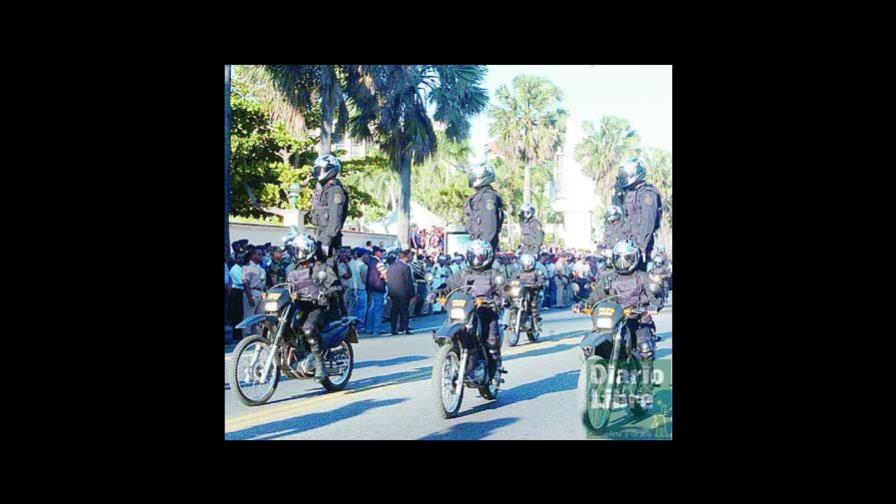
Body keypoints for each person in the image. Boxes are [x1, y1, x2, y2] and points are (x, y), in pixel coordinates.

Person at [573, 238, 664, 406]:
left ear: (635, 258)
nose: (622, 262)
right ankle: (598, 373)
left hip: (637, 321)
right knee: (591, 341)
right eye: (619, 258)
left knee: (644, 348)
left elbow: (656, 294)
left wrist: (653, 306)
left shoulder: (643, 277)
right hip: (613, 321)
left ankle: (645, 388)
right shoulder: (608, 278)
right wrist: (583, 304)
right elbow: (595, 297)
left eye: (627, 258)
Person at [435, 239, 508, 377]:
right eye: (473, 256)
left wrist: (505, 299)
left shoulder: (494, 274)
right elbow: (448, 285)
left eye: (480, 256)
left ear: (488, 256)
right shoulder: (463, 273)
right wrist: (435, 293)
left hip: (486, 311)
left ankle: (493, 372)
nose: (476, 260)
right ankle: (452, 355)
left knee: (491, 340)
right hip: (466, 310)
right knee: (448, 329)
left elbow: (504, 288)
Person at [285, 233, 342, 381]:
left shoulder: (322, 267)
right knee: (287, 326)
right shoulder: (292, 270)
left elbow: (336, 287)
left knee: (308, 329)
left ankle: (319, 364)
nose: (297, 254)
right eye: (295, 250)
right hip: (299, 307)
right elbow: (285, 287)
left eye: (300, 250)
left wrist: (324, 294)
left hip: (318, 308)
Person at [616, 157, 662, 271]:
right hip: (629, 244)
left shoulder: (647, 193)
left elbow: (648, 222)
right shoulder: (631, 193)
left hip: (641, 247)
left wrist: (641, 246)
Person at [309, 155, 349, 267]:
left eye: (320, 170)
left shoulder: (335, 190)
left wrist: (326, 242)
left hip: (329, 241)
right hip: (321, 237)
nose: (318, 173)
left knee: (328, 275)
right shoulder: (325, 188)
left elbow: (335, 220)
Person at [463, 162, 504, 251]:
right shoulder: (479, 197)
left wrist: (484, 247)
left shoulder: (487, 197)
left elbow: (490, 225)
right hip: (477, 244)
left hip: (483, 247)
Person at [511, 253, 545, 329]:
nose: (526, 265)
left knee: (533, 304)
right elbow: (512, 279)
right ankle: (513, 316)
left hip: (532, 291)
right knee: (510, 298)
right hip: (520, 291)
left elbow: (541, 280)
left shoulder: (537, 271)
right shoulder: (518, 271)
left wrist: (537, 284)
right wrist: (511, 284)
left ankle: (535, 320)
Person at [386, 250, 416, 335]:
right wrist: (412, 294)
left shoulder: (391, 266)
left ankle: (393, 328)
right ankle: (404, 328)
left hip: (393, 292)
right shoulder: (405, 267)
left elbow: (389, 280)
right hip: (403, 293)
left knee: (394, 311)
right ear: (406, 257)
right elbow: (408, 281)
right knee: (404, 311)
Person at [241, 245, 267, 337]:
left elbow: (264, 283)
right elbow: (245, 283)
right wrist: (250, 297)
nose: (261, 256)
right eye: (259, 254)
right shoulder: (247, 268)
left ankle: (257, 337)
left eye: (262, 254)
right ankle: (246, 337)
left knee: (259, 317)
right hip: (252, 292)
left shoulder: (262, 268)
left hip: (261, 293)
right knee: (249, 316)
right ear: (253, 256)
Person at [363, 246, 387, 335]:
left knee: (371, 308)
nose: (382, 254)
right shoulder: (379, 263)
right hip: (378, 287)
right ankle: (377, 329)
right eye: (381, 252)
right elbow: (385, 275)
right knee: (378, 308)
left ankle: (368, 328)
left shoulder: (368, 262)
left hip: (370, 287)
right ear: (376, 253)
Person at [228, 246, 247, 341]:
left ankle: (239, 334)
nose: (241, 259)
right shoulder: (234, 269)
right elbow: (241, 281)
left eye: (242, 257)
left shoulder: (242, 268)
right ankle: (237, 335)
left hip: (241, 292)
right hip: (236, 292)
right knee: (237, 315)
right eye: (239, 258)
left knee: (241, 314)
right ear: (235, 259)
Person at [348, 249, 369, 331]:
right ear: (363, 256)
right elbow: (364, 279)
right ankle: (359, 325)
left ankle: (352, 325)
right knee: (362, 308)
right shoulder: (363, 266)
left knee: (353, 308)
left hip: (351, 288)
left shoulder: (351, 263)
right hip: (361, 288)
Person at [410, 253, 428, 319]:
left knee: (422, 298)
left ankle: (418, 312)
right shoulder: (415, 265)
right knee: (419, 298)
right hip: (419, 283)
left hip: (423, 283)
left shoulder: (423, 265)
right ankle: (415, 312)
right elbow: (416, 274)